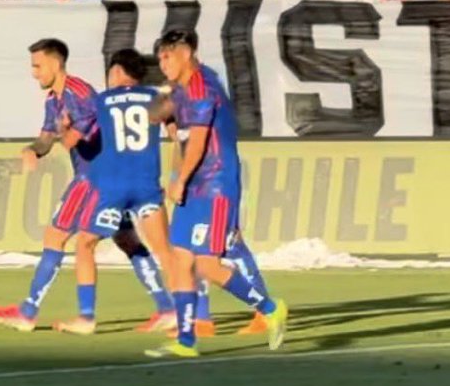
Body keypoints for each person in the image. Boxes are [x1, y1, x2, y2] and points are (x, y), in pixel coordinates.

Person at [146, 29, 287, 359]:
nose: (162, 64)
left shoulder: (200, 86)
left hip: (215, 185)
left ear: (187, 53)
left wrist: (178, 179)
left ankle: (270, 308)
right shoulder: (180, 88)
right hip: (196, 184)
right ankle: (186, 341)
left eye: (167, 56)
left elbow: (197, 141)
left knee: (207, 265)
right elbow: (155, 114)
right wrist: (167, 98)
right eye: (160, 58)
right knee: (181, 259)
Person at [50, 48, 176, 335]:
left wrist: (63, 128)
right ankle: (178, 311)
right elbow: (174, 128)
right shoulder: (155, 98)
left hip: (114, 188)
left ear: (117, 71)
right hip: (147, 185)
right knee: (161, 249)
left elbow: (71, 141)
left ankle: (86, 317)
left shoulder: (102, 101)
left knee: (85, 244)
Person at [0, 39, 99, 331]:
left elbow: (77, 136)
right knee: (132, 242)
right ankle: (168, 308)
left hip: (94, 177)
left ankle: (28, 312)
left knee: (54, 237)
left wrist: (64, 134)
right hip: (101, 177)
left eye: (37, 66)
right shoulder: (54, 100)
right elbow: (46, 139)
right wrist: (32, 150)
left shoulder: (79, 92)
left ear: (55, 63)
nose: (34, 73)